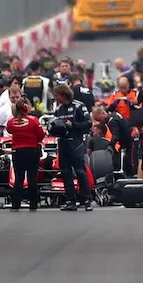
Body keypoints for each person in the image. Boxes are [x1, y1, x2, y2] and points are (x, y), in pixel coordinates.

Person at [51, 84, 95, 212]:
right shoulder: (58, 109)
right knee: (65, 172)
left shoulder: (79, 106)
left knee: (80, 172)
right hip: (63, 143)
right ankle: (70, 201)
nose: (55, 98)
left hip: (76, 143)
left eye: (57, 95)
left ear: (63, 94)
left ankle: (86, 200)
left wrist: (73, 125)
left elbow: (88, 123)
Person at [5, 100, 45, 211]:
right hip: (32, 151)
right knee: (32, 178)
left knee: (19, 179)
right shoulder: (34, 120)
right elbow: (41, 135)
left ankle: (15, 204)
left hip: (17, 152)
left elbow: (9, 130)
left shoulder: (11, 122)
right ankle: (33, 204)